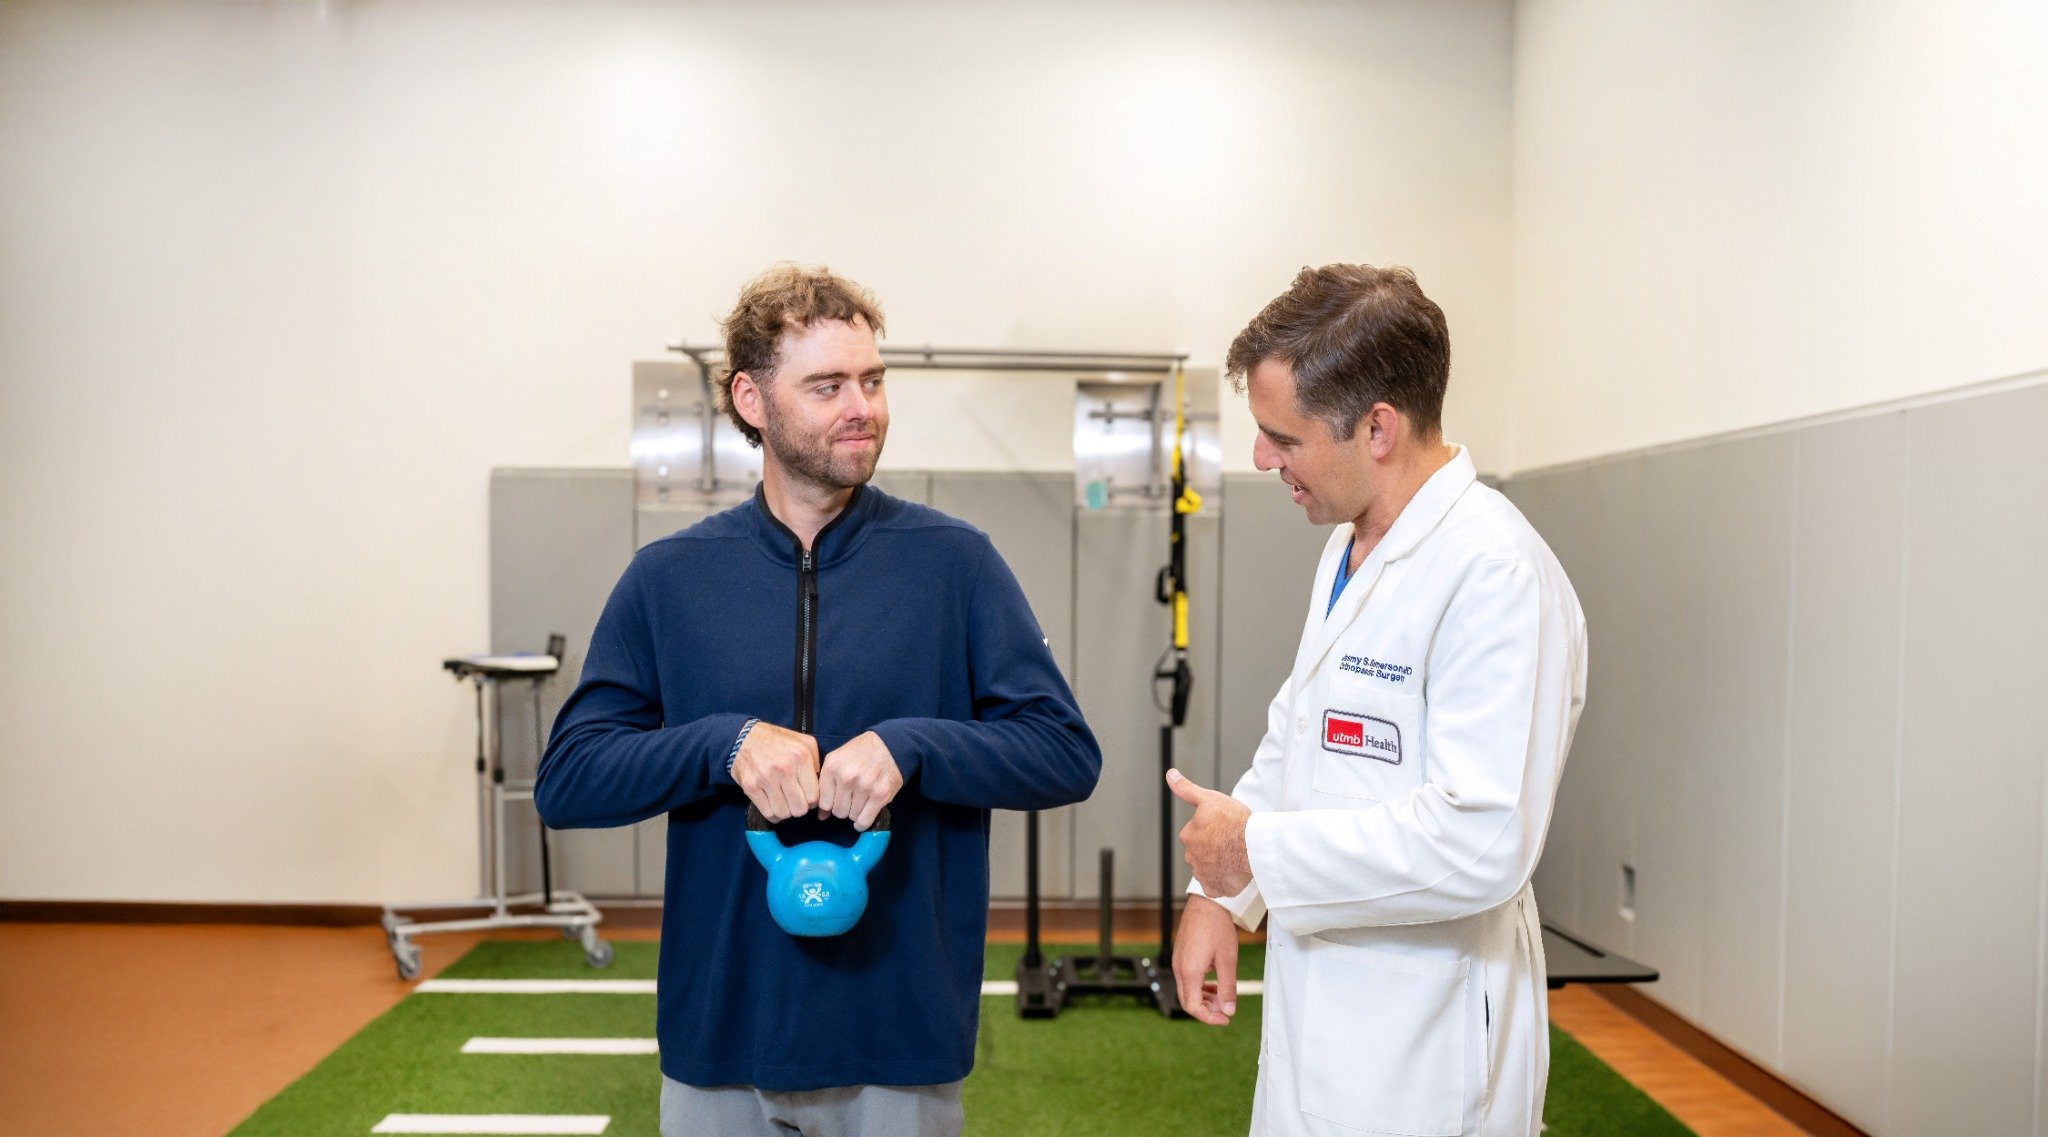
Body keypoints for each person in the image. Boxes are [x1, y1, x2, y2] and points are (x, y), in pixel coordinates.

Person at [535, 264, 1101, 1137]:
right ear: (751, 399)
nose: (862, 407)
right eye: (828, 385)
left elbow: (1064, 751)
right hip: (721, 1038)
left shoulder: (955, 563)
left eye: (872, 380)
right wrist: (722, 744)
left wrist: (913, 747)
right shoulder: (669, 578)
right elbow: (570, 778)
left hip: (899, 1039)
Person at [1165, 263, 1587, 1137]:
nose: (1261, 458)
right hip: (1322, 1016)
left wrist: (1256, 852)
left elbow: (1482, 837)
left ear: (1378, 427)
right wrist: (1219, 892)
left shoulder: (1495, 573)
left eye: (1281, 436)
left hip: (1426, 1051)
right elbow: (1300, 738)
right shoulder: (1351, 545)